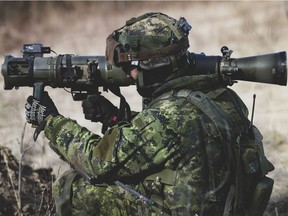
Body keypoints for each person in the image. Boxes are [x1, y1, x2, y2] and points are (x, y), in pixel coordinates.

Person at [25, 12, 274, 216]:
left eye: (131, 67)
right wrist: (115, 118)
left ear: (153, 67)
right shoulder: (216, 94)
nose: (129, 74)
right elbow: (173, 141)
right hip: (222, 206)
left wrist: (50, 121)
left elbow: (98, 162)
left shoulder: (168, 115)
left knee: (71, 189)